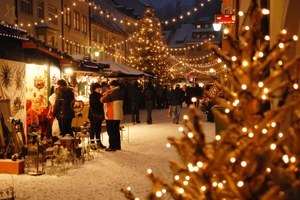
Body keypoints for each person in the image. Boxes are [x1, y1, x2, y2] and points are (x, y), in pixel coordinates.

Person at [100, 80, 123, 151]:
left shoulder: (113, 92)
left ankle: (112, 146)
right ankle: (117, 146)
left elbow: (103, 100)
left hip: (111, 114)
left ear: (112, 86)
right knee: (116, 130)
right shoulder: (120, 91)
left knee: (111, 130)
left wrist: (106, 93)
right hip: (117, 114)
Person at [88, 83, 106, 150]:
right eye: (98, 88)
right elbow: (93, 105)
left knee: (98, 129)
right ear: (95, 88)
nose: (99, 89)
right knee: (93, 129)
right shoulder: (92, 95)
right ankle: (92, 144)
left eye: (100, 88)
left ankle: (98, 143)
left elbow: (101, 106)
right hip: (93, 115)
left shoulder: (100, 95)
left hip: (99, 115)